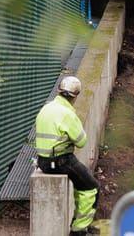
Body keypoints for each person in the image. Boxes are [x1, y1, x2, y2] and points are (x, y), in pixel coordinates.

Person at [33, 75, 98, 236]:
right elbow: (81, 142)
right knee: (91, 187)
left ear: (59, 91)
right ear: (75, 96)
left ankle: (78, 223)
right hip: (61, 161)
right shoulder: (68, 114)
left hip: (42, 161)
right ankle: (79, 230)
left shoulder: (46, 108)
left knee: (79, 183)